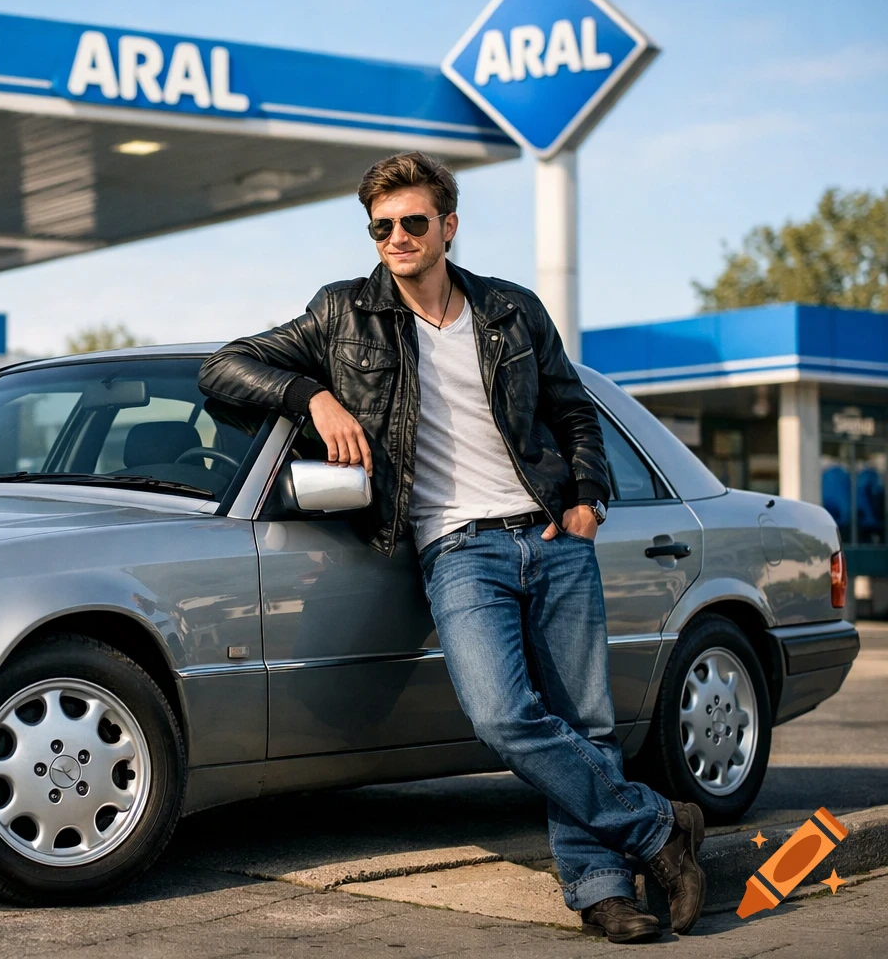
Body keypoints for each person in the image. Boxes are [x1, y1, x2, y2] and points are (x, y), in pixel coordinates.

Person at [198, 151, 707, 943]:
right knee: (504, 716)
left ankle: (604, 892)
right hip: (457, 545)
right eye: (380, 227)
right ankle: (657, 829)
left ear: (448, 227)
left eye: (411, 222)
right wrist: (315, 394)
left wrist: (583, 502)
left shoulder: (512, 310)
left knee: (586, 724)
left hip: (550, 533)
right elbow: (222, 368)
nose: (395, 238)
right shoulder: (342, 314)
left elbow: (573, 410)